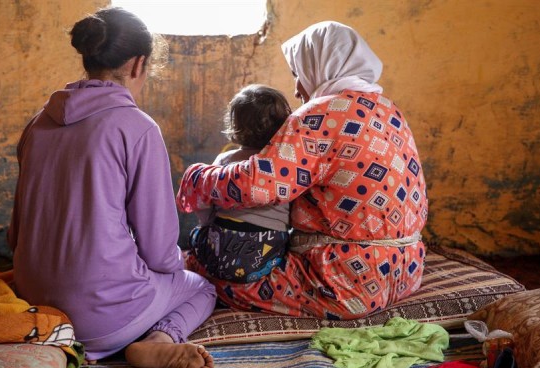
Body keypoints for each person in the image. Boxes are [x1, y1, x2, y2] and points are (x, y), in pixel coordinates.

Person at [8, 7, 217, 368]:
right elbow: (159, 253)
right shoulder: (137, 127)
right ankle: (159, 340)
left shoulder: (38, 122)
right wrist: (176, 264)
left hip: (34, 303)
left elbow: (15, 234)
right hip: (99, 320)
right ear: (139, 65)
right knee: (200, 287)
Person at [177, 21, 428, 320]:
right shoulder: (388, 109)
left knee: (214, 273)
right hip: (406, 272)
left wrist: (197, 178)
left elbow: (258, 184)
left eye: (298, 74)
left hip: (346, 282)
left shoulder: (323, 113)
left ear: (321, 66)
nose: (297, 89)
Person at [189, 84, 292, 284]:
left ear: (235, 123)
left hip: (218, 253)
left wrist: (206, 227)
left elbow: (205, 205)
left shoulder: (225, 160)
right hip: (265, 255)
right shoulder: (283, 163)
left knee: (196, 234)